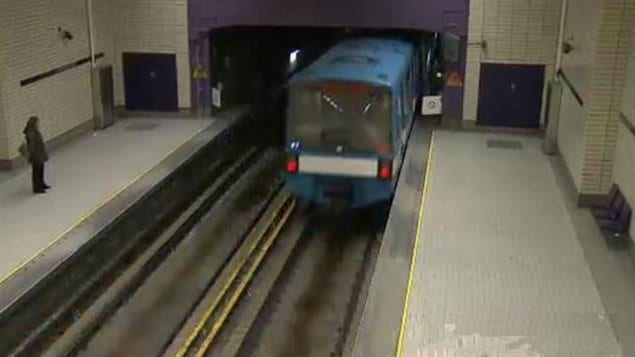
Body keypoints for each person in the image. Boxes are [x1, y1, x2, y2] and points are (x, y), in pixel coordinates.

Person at [23, 116, 50, 193]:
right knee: (36, 171)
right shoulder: (30, 133)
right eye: (37, 122)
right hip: (36, 155)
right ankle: (37, 187)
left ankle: (41, 183)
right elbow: (31, 145)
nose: (38, 124)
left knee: (41, 169)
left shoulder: (35, 131)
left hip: (39, 153)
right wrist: (31, 155)